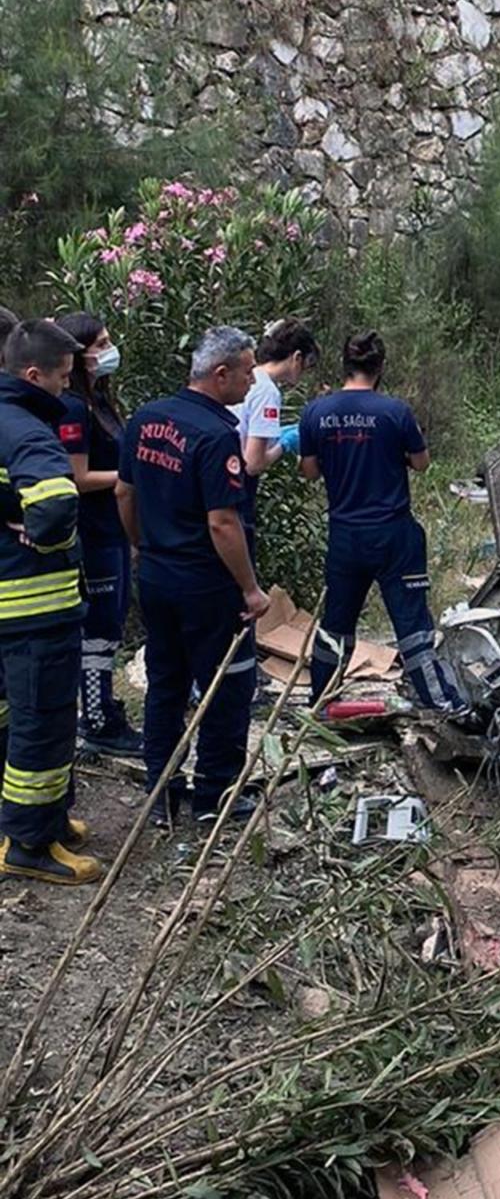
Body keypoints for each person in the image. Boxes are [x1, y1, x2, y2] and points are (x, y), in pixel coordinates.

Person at [118, 329, 271, 830]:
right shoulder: (214, 435)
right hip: (207, 585)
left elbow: (124, 493)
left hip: (158, 577)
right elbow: (222, 521)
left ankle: (160, 794)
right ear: (220, 374)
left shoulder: (146, 418)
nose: (253, 379)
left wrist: (141, 546)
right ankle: (214, 794)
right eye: (247, 370)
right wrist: (250, 588)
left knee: (166, 684)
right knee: (227, 687)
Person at [302, 331, 460, 710]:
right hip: (393, 534)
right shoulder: (395, 412)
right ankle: (441, 704)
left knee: (336, 625)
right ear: (380, 367)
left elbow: (308, 471)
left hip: (345, 534)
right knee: (412, 626)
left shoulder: (316, 412)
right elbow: (421, 464)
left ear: (344, 364)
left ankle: (321, 701)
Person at [0, 319, 96, 886]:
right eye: (63, 379)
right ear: (34, 375)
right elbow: (57, 506)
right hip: (36, 610)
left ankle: (34, 818)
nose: (67, 388)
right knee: (45, 720)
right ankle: (31, 843)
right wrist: (46, 536)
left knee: (12, 718)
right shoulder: (29, 430)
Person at [54, 311, 140, 760]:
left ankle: (104, 707)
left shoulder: (100, 400)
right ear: (77, 353)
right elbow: (78, 477)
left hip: (113, 528)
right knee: (99, 628)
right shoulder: (71, 406)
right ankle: (97, 718)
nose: (109, 350)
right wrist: (129, 475)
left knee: (111, 623)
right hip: (91, 528)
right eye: (101, 343)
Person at [236, 319, 320, 530]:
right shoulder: (267, 391)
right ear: (297, 358)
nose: (303, 375)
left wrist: (275, 434)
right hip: (237, 487)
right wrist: (285, 444)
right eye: (306, 367)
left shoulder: (247, 377)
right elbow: (253, 464)